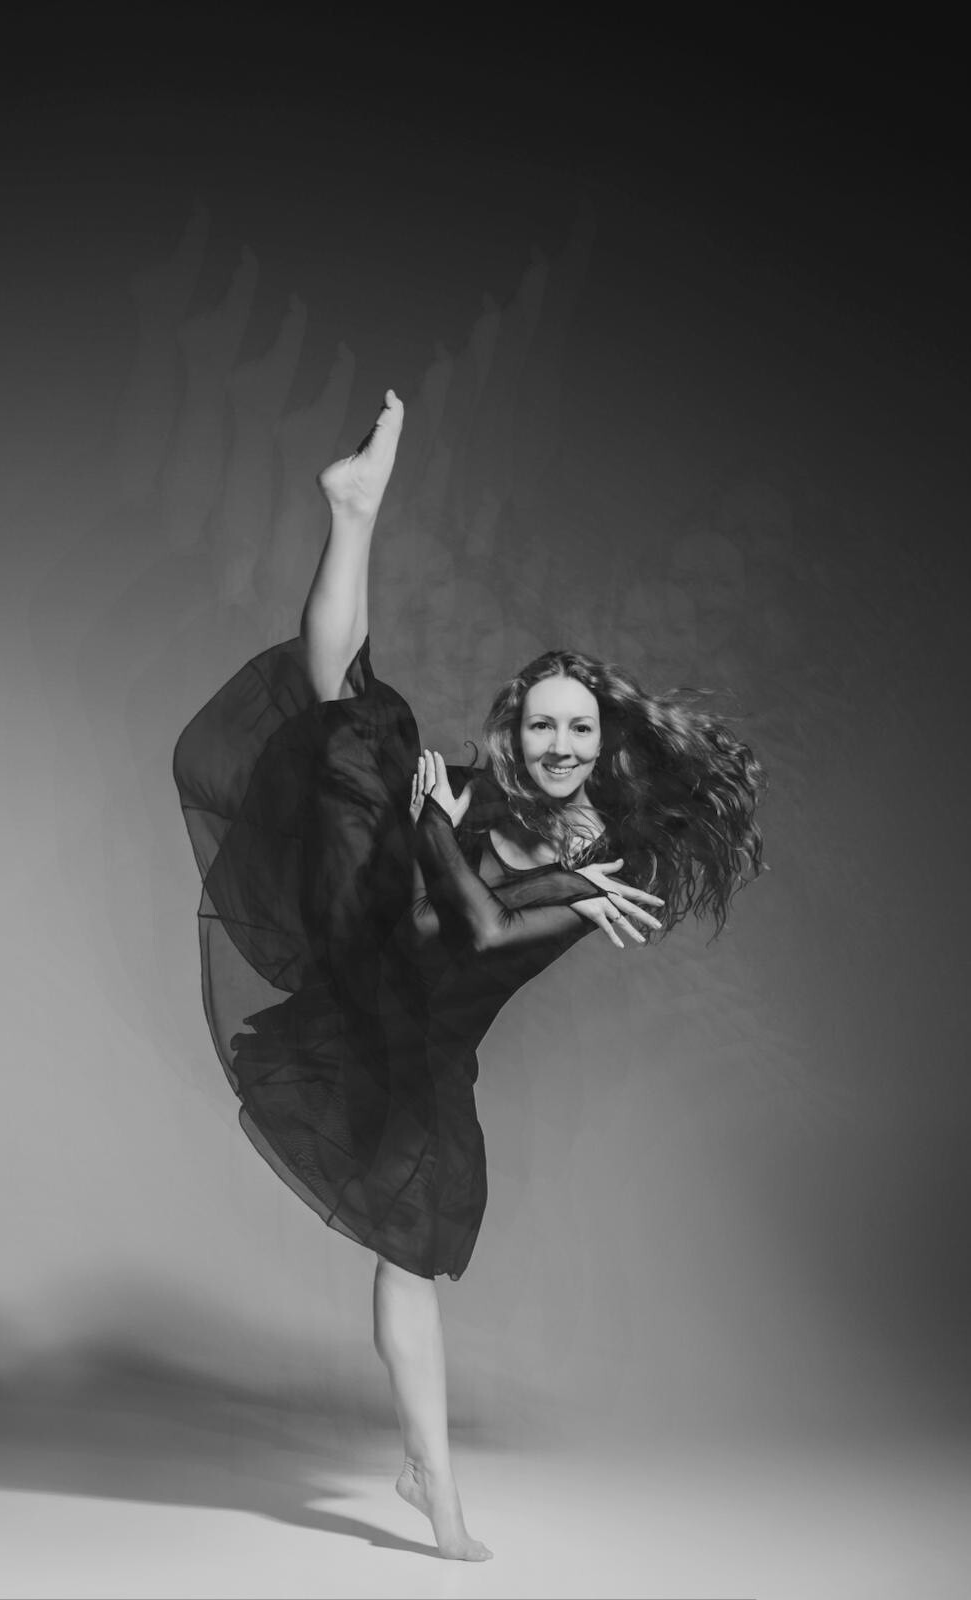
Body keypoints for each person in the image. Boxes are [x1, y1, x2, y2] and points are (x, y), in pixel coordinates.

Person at [173, 390, 764, 1562]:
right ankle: (355, 514)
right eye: (542, 727)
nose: (560, 746)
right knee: (350, 715)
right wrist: (432, 811)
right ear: (514, 730)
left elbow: (488, 929)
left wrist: (449, 827)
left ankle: (425, 1478)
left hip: (423, 1041)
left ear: (606, 740)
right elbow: (434, 863)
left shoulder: (616, 860)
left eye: (579, 731)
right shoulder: (483, 789)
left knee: (412, 1251)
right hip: (369, 951)